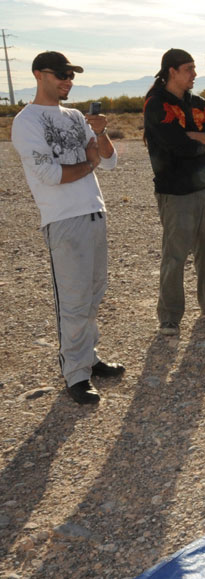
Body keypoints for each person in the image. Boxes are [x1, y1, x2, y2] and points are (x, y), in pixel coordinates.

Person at [11, 51, 124, 404]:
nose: (68, 80)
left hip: (94, 212)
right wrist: (89, 164)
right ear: (38, 75)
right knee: (73, 302)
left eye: (71, 75)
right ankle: (75, 374)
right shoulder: (26, 121)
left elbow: (109, 162)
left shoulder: (76, 117)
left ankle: (89, 358)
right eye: (61, 74)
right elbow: (49, 174)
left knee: (93, 294)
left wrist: (100, 133)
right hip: (63, 219)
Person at [143, 49, 205, 336]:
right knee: (175, 256)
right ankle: (169, 317)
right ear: (171, 71)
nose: (194, 74)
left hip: (204, 187)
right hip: (175, 191)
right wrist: (204, 139)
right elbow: (177, 146)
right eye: (188, 69)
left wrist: (197, 136)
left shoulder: (198, 103)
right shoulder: (157, 104)